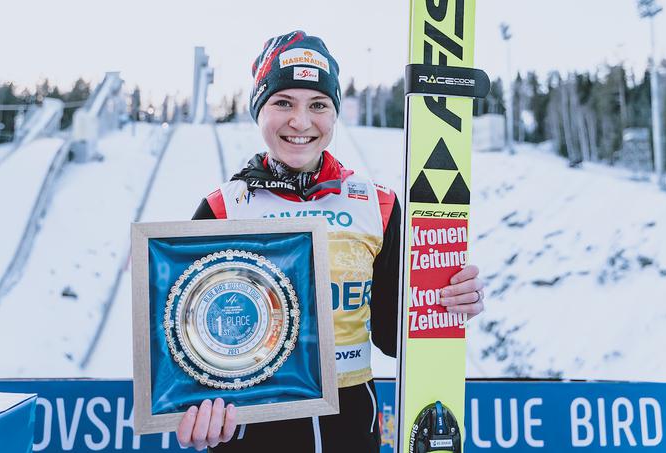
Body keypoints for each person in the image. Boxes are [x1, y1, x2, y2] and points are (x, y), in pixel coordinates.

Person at [177, 30, 485, 452]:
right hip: (251, 434)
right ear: (259, 110)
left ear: (334, 114)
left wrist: (448, 301)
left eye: (318, 105)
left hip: (351, 431)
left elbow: (393, 338)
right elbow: (186, 346)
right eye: (283, 102)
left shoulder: (376, 204)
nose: (300, 122)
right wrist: (197, 410)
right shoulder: (222, 208)